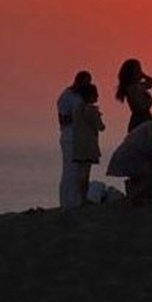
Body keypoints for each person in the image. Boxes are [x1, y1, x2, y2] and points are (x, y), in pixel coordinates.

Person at [106, 109, 152, 201]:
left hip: (133, 155)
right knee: (148, 176)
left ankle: (134, 197)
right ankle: (132, 198)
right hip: (131, 155)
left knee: (144, 176)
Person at [56, 71, 90, 209]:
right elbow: (63, 120)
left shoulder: (80, 96)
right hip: (69, 137)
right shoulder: (65, 97)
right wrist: (80, 116)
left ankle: (76, 201)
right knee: (69, 171)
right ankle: (66, 202)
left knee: (78, 172)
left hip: (80, 137)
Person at [72, 82, 105, 204]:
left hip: (78, 143)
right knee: (86, 172)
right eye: (96, 94)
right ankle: (83, 199)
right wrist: (99, 117)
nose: (97, 96)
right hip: (88, 144)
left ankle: (80, 198)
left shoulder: (77, 108)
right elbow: (101, 127)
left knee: (80, 171)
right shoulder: (91, 110)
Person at [115, 59, 152, 132]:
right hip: (140, 120)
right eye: (138, 69)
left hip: (144, 119)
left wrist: (143, 74)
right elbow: (141, 109)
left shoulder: (138, 86)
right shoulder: (132, 88)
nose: (140, 71)